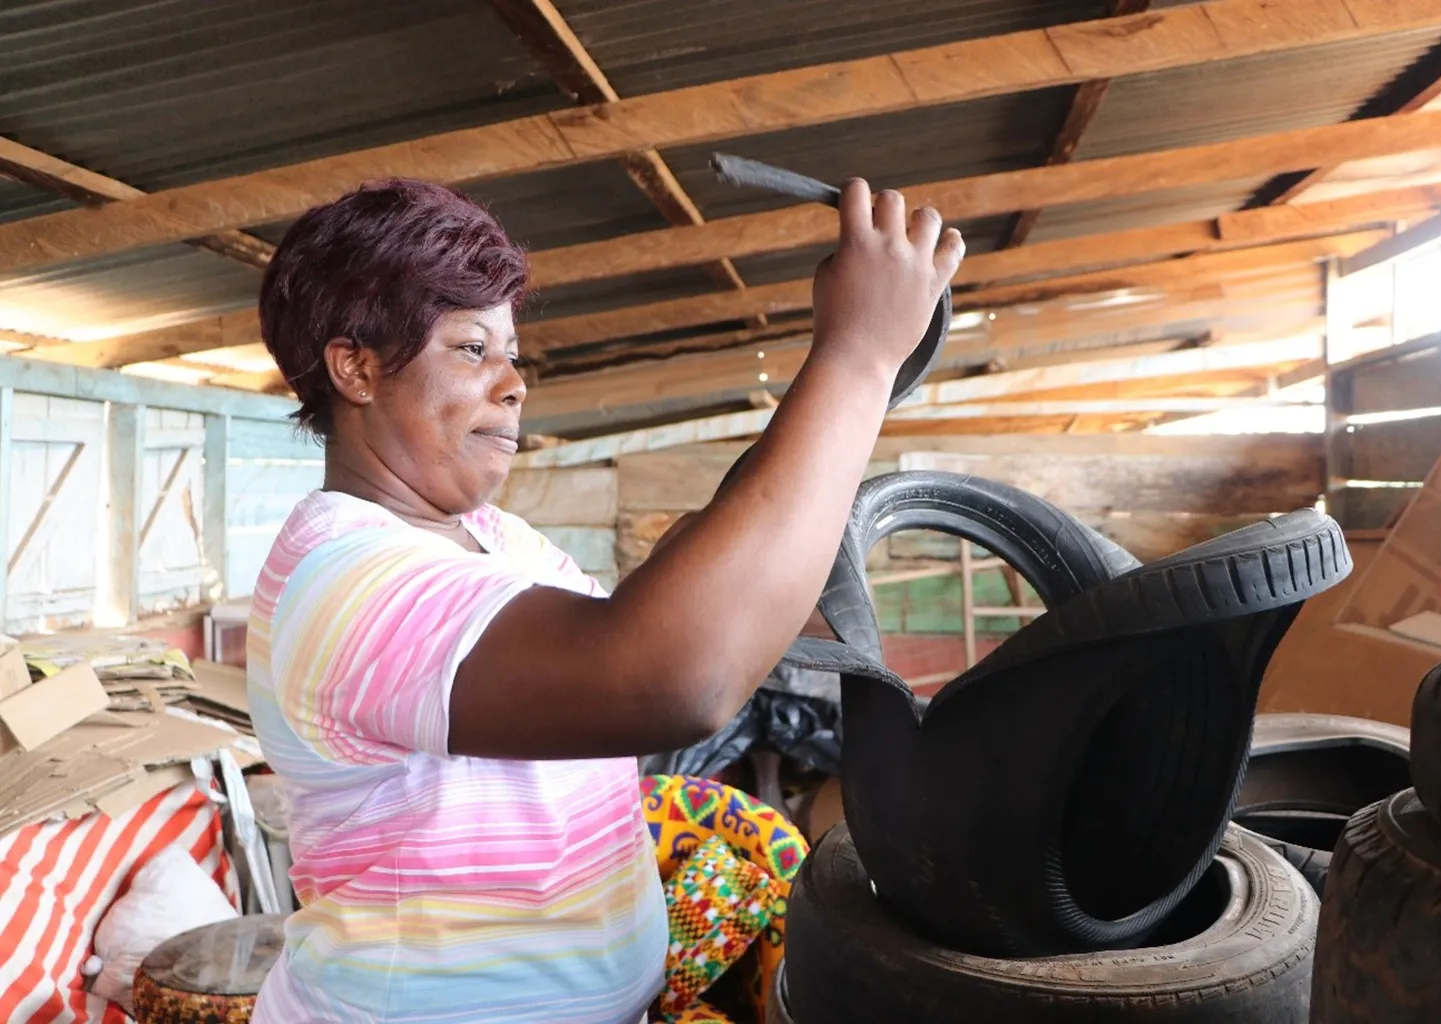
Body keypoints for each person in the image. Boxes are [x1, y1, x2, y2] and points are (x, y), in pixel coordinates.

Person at [245, 175, 963, 1023]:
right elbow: (673, 675)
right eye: (472, 349)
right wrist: (858, 356)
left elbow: (656, 622)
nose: (513, 384)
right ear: (356, 367)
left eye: (512, 352)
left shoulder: (492, 537)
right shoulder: (347, 583)